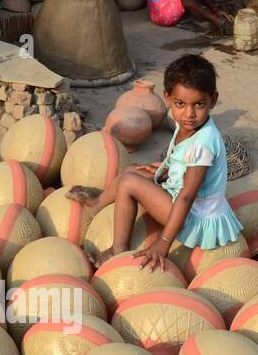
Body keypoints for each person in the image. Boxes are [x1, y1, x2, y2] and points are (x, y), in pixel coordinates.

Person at [68, 54, 240, 271]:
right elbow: (186, 166)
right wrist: (169, 171)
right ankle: (98, 203)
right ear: (167, 98)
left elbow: (187, 197)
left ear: (213, 100)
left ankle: (117, 250)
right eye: (180, 104)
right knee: (133, 169)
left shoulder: (202, 144)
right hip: (185, 199)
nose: (189, 114)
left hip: (195, 217)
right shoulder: (189, 125)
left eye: (199, 104)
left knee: (129, 183)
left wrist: (163, 243)